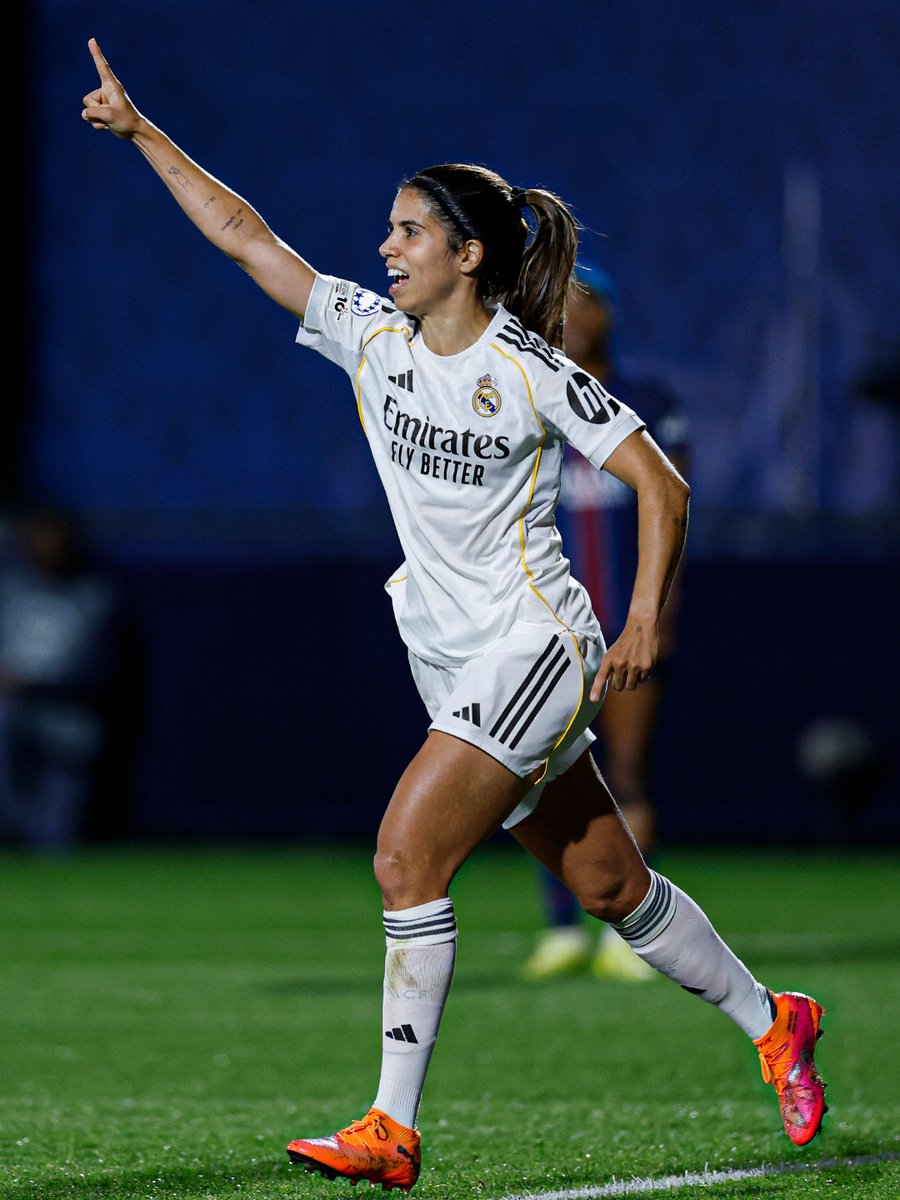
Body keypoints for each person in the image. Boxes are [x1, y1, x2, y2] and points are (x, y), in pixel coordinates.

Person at [81, 38, 827, 1192]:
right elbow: (244, 236)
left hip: (534, 647)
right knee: (608, 888)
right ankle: (776, 1019)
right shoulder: (372, 339)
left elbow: (663, 485)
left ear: (466, 256)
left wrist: (641, 621)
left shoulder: (529, 368)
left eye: (407, 232)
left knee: (404, 854)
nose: (384, 247)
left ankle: (390, 1126)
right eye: (387, 230)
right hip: (449, 656)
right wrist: (141, 135)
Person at [523, 264, 690, 984]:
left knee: (625, 770)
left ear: (609, 314)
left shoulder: (647, 402)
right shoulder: (528, 397)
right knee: (539, 774)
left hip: (624, 630)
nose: (570, 317)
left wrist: (657, 616)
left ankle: (634, 934)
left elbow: (675, 506)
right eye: (557, 306)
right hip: (549, 632)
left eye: (582, 302)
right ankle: (561, 928)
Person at [0, 504, 125, 851]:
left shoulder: (97, 596)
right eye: (38, 536)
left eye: (54, 537)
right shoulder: (10, 590)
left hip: (69, 718)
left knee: (54, 841)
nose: (46, 545)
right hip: (12, 716)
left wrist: (29, 684)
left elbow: (99, 672)